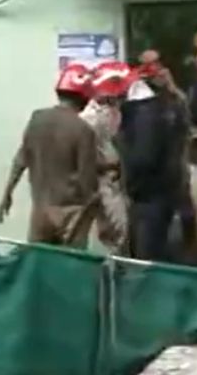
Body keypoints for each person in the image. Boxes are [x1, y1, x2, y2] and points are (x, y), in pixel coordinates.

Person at [0, 65, 99, 247]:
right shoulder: (83, 130)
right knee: (69, 268)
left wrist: (7, 193)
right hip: (71, 215)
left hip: (40, 212)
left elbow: (21, 160)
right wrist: (95, 208)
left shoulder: (37, 119)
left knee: (39, 263)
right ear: (84, 97)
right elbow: (87, 182)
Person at [118, 70, 187, 263]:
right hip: (162, 191)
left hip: (148, 196)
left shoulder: (143, 114)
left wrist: (128, 182)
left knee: (146, 257)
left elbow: (142, 157)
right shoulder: (162, 109)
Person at [135, 53, 197, 261]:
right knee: (152, 228)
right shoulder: (138, 99)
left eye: (156, 63)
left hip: (176, 168)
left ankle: (186, 257)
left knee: (186, 217)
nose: (153, 69)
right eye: (147, 65)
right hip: (151, 177)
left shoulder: (173, 99)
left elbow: (186, 125)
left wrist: (170, 87)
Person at [79, 61, 132, 255]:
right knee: (113, 236)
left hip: (114, 180)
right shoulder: (90, 119)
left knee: (120, 234)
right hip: (101, 181)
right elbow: (87, 158)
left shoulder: (113, 111)